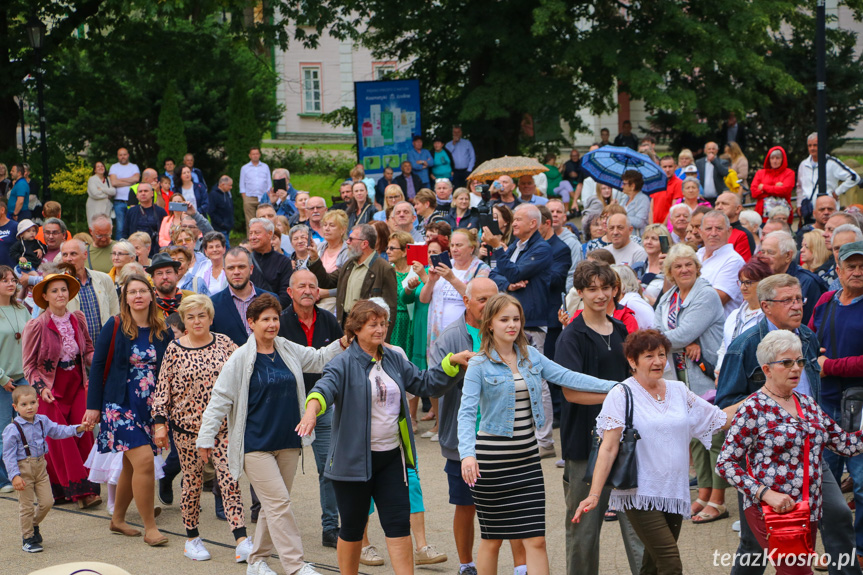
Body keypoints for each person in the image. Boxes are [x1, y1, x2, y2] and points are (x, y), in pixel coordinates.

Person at [298, 299, 469, 575]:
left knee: (398, 524)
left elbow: (424, 383)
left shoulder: (394, 359)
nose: (380, 329)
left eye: (383, 324)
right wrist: (311, 412)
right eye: (372, 324)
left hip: (392, 458)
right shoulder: (343, 363)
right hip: (353, 463)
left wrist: (451, 363)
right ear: (356, 328)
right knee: (352, 529)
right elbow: (324, 388)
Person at [458, 294, 616, 575]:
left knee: (537, 540)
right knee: (493, 540)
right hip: (490, 465)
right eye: (504, 319)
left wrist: (618, 386)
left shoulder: (532, 356)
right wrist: (467, 455)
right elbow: (467, 413)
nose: (512, 325)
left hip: (528, 463)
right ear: (490, 324)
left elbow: (569, 377)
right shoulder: (478, 365)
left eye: (516, 319)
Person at [716, 274, 863, 575]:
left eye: (800, 299)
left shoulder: (806, 348)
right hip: (766, 475)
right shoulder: (746, 357)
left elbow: (847, 443)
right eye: (788, 300)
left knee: (835, 517)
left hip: (809, 464)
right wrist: (764, 492)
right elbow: (725, 445)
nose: (796, 368)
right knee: (755, 547)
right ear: (766, 306)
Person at [197, 293, 347, 575]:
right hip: (255, 444)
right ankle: (295, 565)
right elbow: (219, 399)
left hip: (289, 441)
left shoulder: (285, 347)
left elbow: (316, 359)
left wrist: (342, 343)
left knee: (272, 505)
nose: (272, 324)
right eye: (264, 319)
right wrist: (205, 438)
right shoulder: (240, 358)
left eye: (275, 318)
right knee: (279, 503)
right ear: (251, 322)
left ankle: (256, 561)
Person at [573, 329, 736, 575]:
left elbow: (719, 418)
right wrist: (595, 494)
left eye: (661, 354)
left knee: (653, 563)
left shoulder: (679, 390)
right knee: (670, 562)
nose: (658, 361)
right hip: (640, 491)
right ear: (632, 361)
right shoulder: (621, 394)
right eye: (649, 356)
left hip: (674, 490)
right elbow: (608, 446)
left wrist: (764, 396)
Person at [555, 261, 646, 574]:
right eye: (592, 288)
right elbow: (570, 392)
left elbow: (633, 382)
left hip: (624, 441)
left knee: (638, 526)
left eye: (605, 288)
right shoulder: (571, 336)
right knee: (583, 528)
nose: (600, 294)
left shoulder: (621, 330)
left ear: (615, 289)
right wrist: (619, 396)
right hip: (583, 442)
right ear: (580, 292)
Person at [152, 295, 252, 563]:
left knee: (230, 480)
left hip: (221, 428)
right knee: (193, 484)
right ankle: (192, 538)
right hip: (187, 431)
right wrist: (160, 424)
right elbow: (162, 389)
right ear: (183, 320)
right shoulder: (174, 349)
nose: (197, 321)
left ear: (210, 317)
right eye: (191, 316)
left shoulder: (225, 344)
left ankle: (241, 539)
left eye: (202, 316)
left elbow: (245, 373)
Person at [85, 275, 171, 546]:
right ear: (125, 299)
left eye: (142, 291)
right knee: (144, 460)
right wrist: (93, 407)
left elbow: (168, 371)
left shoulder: (162, 329)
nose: (137, 296)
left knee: (130, 465)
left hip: (150, 406)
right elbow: (98, 366)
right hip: (119, 404)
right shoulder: (116, 324)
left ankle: (118, 519)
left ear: (151, 295)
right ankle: (150, 528)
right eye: (131, 292)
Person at [426, 277, 498, 575]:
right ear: (466, 301)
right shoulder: (450, 336)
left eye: (494, 299)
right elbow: (432, 385)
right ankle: (466, 564)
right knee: (465, 506)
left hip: (500, 437)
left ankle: (522, 567)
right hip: (462, 441)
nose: (490, 306)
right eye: (483, 300)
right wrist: (454, 365)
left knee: (507, 507)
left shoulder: (505, 329)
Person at [22, 274, 101, 508]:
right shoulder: (37, 325)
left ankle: (86, 487)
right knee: (60, 438)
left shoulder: (78, 318)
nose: (60, 295)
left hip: (76, 382)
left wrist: (100, 363)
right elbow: (28, 365)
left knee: (83, 430)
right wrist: (41, 388)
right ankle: (76, 492)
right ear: (45, 296)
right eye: (54, 291)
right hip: (50, 387)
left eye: (63, 290)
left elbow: (87, 349)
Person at [278, 270, 344, 549]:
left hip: (323, 405)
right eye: (301, 285)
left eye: (312, 286)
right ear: (290, 292)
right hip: (285, 406)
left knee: (329, 467)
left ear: (319, 293)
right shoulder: (278, 322)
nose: (307, 290)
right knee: (276, 468)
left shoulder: (329, 320)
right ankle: (265, 514)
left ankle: (330, 527)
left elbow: (343, 356)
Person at [809, 241, 863, 565]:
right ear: (838, 270)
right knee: (825, 486)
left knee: (862, 486)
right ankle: (836, 551)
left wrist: (830, 366)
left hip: (861, 407)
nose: (857, 272)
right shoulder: (826, 301)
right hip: (826, 404)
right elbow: (812, 343)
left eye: (862, 266)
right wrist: (817, 360)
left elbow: (824, 361)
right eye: (851, 266)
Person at [3, 385, 95, 553]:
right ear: (15, 407)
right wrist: (15, 476)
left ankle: (34, 523)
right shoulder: (12, 429)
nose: (29, 407)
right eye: (24, 404)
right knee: (26, 506)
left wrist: (79, 428)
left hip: (40, 467)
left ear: (38, 402)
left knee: (47, 502)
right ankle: (28, 538)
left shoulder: (42, 421)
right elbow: (8, 455)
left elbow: (59, 431)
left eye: (32, 402)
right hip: (23, 469)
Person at [308, 223, 398, 335]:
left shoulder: (384, 269)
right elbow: (327, 282)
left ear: (364, 244)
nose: (347, 242)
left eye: (351, 239)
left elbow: (391, 309)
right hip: (346, 325)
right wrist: (315, 258)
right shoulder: (349, 264)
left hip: (368, 328)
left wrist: (383, 338)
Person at [0, 266, 30, 492]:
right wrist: (2, 378)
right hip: (3, 381)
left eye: (13, 280)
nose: (11, 284)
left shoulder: (21, 308)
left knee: (27, 428)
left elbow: (32, 339)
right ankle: (4, 478)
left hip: (24, 377)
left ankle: (27, 472)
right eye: (4, 280)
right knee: (3, 431)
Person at [715, 258, 772, 376]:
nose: (743, 287)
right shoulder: (734, 315)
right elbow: (725, 347)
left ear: (764, 283)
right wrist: (720, 371)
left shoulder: (771, 316)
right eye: (741, 282)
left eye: (748, 282)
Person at [758, 230, 827, 323]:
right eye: (763, 252)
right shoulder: (762, 277)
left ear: (788, 255)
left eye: (770, 253)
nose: (764, 257)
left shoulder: (807, 282)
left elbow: (809, 324)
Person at [61, 239, 120, 342]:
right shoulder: (56, 283)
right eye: (65, 255)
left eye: (73, 254)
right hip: (72, 348)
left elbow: (115, 313)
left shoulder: (104, 279)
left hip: (103, 347)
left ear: (85, 255)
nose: (69, 259)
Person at [796, 133, 861, 221]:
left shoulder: (831, 163)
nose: (812, 148)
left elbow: (854, 177)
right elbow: (800, 187)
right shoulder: (803, 165)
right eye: (810, 145)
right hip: (810, 212)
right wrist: (799, 204)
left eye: (815, 145)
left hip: (828, 213)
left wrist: (837, 192)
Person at [697, 210, 745, 316]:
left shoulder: (734, 261)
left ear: (729, 231)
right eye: (709, 228)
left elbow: (716, 300)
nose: (713, 233)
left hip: (718, 330)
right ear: (700, 232)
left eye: (719, 228)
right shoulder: (696, 255)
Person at [247, 217, 293, 309]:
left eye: (257, 233)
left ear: (269, 234)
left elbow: (286, 295)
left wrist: (270, 311)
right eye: (251, 233)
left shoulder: (283, 262)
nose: (253, 237)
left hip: (274, 313)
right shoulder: (245, 261)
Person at [315, 210, 350, 314]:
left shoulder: (347, 252)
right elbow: (305, 269)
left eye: (332, 225)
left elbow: (347, 284)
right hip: (313, 293)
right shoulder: (319, 247)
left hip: (333, 297)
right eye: (325, 225)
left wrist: (326, 293)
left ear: (342, 230)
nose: (327, 228)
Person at [751, 146, 795, 223]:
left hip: (783, 217)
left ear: (782, 159)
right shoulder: (760, 173)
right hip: (762, 217)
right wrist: (775, 189)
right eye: (772, 158)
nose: (775, 161)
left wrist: (764, 187)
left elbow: (784, 191)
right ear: (769, 159)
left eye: (778, 158)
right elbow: (754, 193)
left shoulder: (789, 173)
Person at [123, 184, 166, 255]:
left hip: (155, 250)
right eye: (140, 191)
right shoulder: (131, 211)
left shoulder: (160, 211)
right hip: (135, 250)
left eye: (146, 191)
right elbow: (125, 232)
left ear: (152, 193)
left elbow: (165, 232)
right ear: (137, 195)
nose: (143, 193)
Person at [107, 148, 140, 239]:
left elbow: (136, 179)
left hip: (133, 202)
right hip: (119, 202)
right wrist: (130, 181)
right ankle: (119, 248)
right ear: (118, 156)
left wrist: (120, 180)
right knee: (120, 228)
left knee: (133, 226)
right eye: (120, 155)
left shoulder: (134, 166)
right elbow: (113, 182)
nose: (123, 157)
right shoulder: (114, 167)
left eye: (124, 154)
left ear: (128, 155)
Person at [239, 147, 272, 231]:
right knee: (250, 221)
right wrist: (245, 198)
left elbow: (269, 182)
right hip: (250, 197)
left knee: (265, 220)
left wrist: (268, 195)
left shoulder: (265, 167)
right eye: (253, 154)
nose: (255, 156)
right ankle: (250, 240)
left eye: (257, 154)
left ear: (259, 155)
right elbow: (242, 185)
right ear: (250, 156)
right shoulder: (244, 168)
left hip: (263, 197)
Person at [619, 170, 650, 235]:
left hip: (637, 239)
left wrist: (621, 216)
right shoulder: (625, 198)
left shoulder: (643, 199)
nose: (622, 186)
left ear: (632, 186)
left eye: (624, 184)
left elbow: (639, 222)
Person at [208, 176, 235, 246]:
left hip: (228, 226)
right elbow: (211, 212)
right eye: (230, 185)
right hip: (219, 227)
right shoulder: (214, 195)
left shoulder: (227, 194)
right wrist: (221, 223)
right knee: (225, 247)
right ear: (223, 184)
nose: (231, 187)